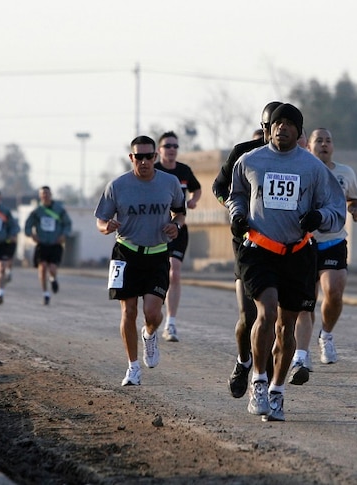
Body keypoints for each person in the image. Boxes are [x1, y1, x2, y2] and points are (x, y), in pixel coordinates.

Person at [228, 103, 347, 421]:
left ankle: (277, 392)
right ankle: (259, 382)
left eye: (289, 124)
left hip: (297, 253)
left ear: (299, 131)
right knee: (265, 314)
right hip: (259, 250)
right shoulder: (250, 161)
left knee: (286, 326)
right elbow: (236, 193)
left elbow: (337, 209)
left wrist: (318, 216)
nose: (281, 128)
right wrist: (238, 214)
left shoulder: (313, 168)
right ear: (270, 128)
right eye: (276, 123)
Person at [94, 135, 185, 386]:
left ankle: (150, 334)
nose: (144, 162)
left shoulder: (170, 182)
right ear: (131, 158)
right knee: (128, 310)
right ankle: (133, 367)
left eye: (149, 156)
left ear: (155, 157)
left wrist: (176, 225)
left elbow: (180, 211)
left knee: (153, 313)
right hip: (126, 253)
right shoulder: (117, 185)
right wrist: (106, 227)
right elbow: (101, 219)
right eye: (139, 157)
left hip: (157, 254)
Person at [212, 100, 281, 399]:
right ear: (263, 128)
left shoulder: (295, 157)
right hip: (247, 241)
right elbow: (219, 188)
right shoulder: (243, 153)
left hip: (282, 244)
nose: (274, 134)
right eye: (270, 128)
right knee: (247, 314)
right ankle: (244, 362)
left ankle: (261, 377)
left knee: (273, 317)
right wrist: (236, 212)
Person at [288, 128, 357, 385]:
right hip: (305, 242)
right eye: (318, 140)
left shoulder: (345, 173)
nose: (324, 144)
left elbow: (353, 199)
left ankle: (327, 336)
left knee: (334, 291)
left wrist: (355, 209)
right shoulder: (300, 170)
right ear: (308, 145)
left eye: (328, 140)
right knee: (306, 301)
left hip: (333, 240)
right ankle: (302, 353)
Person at [154, 131, 202, 342]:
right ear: (159, 150)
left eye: (175, 146)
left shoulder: (184, 170)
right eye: (167, 146)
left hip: (178, 228)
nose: (172, 149)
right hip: (154, 230)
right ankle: (153, 313)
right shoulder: (153, 170)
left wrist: (192, 201)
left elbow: (197, 189)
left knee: (175, 273)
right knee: (157, 274)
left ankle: (170, 323)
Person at [24, 186, 73, 305]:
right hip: (42, 244)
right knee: (42, 268)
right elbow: (28, 226)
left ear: (51, 195)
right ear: (40, 196)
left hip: (55, 244)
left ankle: (53, 279)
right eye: (43, 194)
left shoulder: (59, 210)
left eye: (47, 193)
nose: (45, 196)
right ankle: (45, 293)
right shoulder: (37, 211)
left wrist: (64, 235)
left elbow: (68, 224)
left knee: (52, 268)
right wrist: (31, 234)